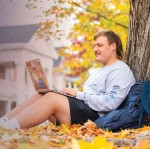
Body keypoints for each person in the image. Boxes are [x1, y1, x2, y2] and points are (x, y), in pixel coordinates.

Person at [0, 30, 135, 130]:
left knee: (52, 98)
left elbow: (110, 103)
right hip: (86, 110)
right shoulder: (100, 71)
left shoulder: (119, 70)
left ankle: (9, 129)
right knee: (41, 94)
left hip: (97, 119)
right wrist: (67, 95)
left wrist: (78, 94)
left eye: (99, 45)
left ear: (113, 46)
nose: (95, 49)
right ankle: (3, 122)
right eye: (94, 46)